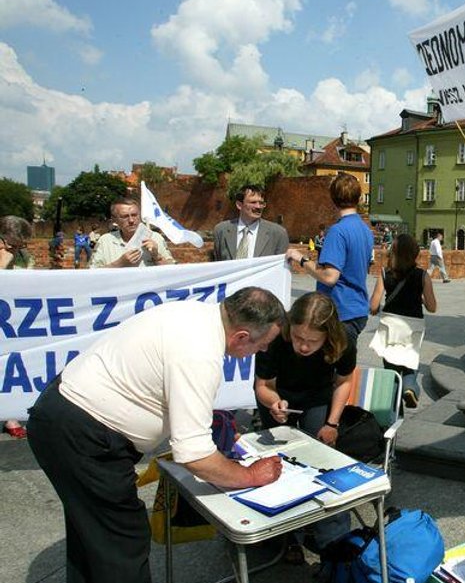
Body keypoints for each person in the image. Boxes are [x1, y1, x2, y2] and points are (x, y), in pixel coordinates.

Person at [28, 287, 287, 583]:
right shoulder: (200, 353)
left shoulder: (196, 314)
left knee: (92, 537)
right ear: (241, 336)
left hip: (64, 418)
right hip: (83, 434)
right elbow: (195, 455)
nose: (263, 352)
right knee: (122, 542)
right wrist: (251, 475)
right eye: (262, 345)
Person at [254, 292, 355, 563]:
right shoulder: (275, 337)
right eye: (298, 338)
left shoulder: (344, 339)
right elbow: (263, 386)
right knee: (279, 463)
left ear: (328, 335)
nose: (304, 347)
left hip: (317, 396)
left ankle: (327, 535)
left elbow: (344, 381)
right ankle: (287, 539)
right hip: (278, 394)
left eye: (312, 341)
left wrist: (332, 422)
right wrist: (275, 404)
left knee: (318, 458)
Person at [287, 173, 374, 346]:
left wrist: (301, 259)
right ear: (358, 198)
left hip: (340, 311)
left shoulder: (338, 231)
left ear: (333, 198)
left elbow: (329, 276)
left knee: (334, 368)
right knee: (345, 366)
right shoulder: (365, 229)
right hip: (357, 308)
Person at [369, 233, 436, 408]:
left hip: (390, 324)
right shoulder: (422, 276)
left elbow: (374, 305)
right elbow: (432, 307)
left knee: (390, 367)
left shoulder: (384, 273)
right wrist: (420, 298)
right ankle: (410, 387)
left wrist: (375, 310)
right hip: (412, 325)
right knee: (410, 363)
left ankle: (391, 403)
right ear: (416, 254)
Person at [1, 215, 34, 438]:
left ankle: (9, 413)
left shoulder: (24, 256)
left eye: (21, 245)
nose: (18, 249)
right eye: (14, 244)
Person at [89, 197, 176, 268]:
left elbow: (174, 272)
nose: (131, 220)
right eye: (125, 216)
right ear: (114, 219)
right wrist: (120, 263)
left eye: (134, 215)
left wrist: (157, 257)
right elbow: (91, 274)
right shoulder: (105, 241)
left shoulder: (155, 238)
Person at [213, 186, 289, 261]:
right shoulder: (221, 230)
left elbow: (281, 268)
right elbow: (218, 265)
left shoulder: (278, 233)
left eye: (261, 203)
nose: (258, 207)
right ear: (239, 205)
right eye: (253, 202)